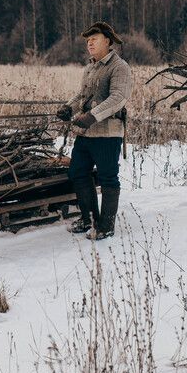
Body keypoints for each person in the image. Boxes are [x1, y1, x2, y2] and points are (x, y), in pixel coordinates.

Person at [56, 21, 133, 239]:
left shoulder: (120, 67)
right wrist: (68, 108)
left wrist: (92, 116)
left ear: (107, 41)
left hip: (108, 133)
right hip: (86, 133)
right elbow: (82, 95)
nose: (90, 43)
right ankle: (89, 218)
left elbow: (118, 98)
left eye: (94, 39)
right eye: (88, 40)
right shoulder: (90, 67)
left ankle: (106, 225)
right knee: (77, 171)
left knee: (108, 177)